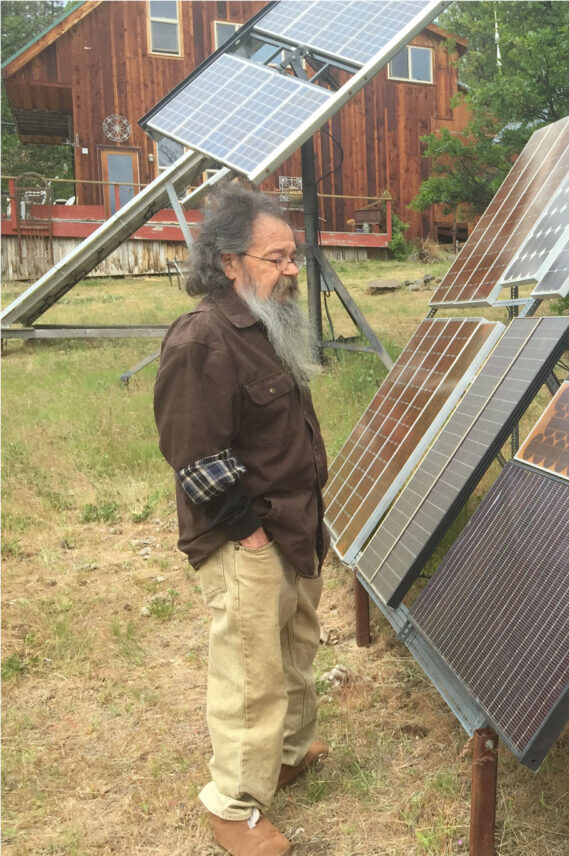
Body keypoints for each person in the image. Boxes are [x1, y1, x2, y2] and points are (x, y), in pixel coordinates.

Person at [154, 183, 330, 856]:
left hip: (296, 523)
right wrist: (249, 533)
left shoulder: (268, 322)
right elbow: (194, 455)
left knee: (294, 651)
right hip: (247, 536)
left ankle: (285, 754)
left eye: (293, 257)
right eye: (275, 257)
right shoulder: (203, 340)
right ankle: (233, 805)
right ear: (230, 261)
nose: (291, 270)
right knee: (249, 675)